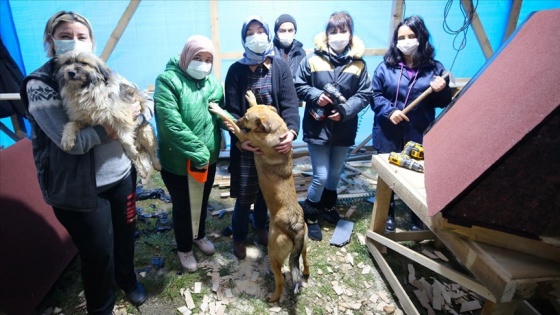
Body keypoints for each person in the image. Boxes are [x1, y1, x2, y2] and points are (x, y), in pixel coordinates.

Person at [19, 11, 149, 314]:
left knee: (126, 233)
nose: (74, 42)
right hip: (81, 188)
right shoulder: (40, 85)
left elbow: (145, 101)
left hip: (121, 176)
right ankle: (102, 307)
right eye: (65, 35)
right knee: (98, 252)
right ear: (51, 42)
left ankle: (127, 280)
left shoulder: (105, 72)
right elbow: (74, 145)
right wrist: (114, 127)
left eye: (81, 36)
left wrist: (138, 116)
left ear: (91, 42)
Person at [225, 15, 300, 259]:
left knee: (267, 193)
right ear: (244, 38)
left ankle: (260, 226)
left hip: (275, 147)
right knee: (245, 195)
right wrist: (241, 141)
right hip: (250, 146)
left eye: (260, 31)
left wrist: (291, 132)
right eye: (250, 32)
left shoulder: (279, 66)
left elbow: (290, 104)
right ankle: (239, 237)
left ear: (268, 34)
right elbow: (234, 112)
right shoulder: (236, 70)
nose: (256, 36)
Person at [295, 11, 372, 241]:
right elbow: (298, 84)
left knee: (335, 174)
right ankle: (311, 215)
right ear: (327, 34)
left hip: (344, 128)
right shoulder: (312, 59)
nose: (338, 35)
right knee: (320, 175)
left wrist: (345, 111)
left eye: (343, 31)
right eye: (333, 31)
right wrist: (316, 95)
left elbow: (365, 93)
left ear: (350, 34)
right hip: (317, 128)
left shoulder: (359, 65)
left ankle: (328, 208)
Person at [371, 15, 452, 231]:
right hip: (388, 131)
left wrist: (442, 89)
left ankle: (417, 214)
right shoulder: (385, 67)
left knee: (416, 173)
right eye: (401, 37)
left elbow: (444, 102)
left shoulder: (435, 69)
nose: (406, 41)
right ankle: (387, 213)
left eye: (411, 36)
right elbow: (376, 96)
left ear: (421, 37)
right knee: (388, 172)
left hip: (418, 131)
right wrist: (390, 111)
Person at [153, 35, 225, 272]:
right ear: (186, 56)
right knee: (184, 205)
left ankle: (199, 235)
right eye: (197, 57)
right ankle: (184, 248)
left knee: (202, 201)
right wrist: (197, 151)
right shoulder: (168, 81)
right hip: (178, 161)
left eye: (208, 59)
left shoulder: (212, 83)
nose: (203, 64)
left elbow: (219, 114)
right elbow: (169, 123)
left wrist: (239, 127)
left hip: (207, 160)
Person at [272, 14, 306, 81]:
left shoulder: (301, 53)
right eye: (283, 31)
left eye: (290, 30)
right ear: (276, 33)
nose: (287, 33)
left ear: (295, 32)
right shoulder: (270, 52)